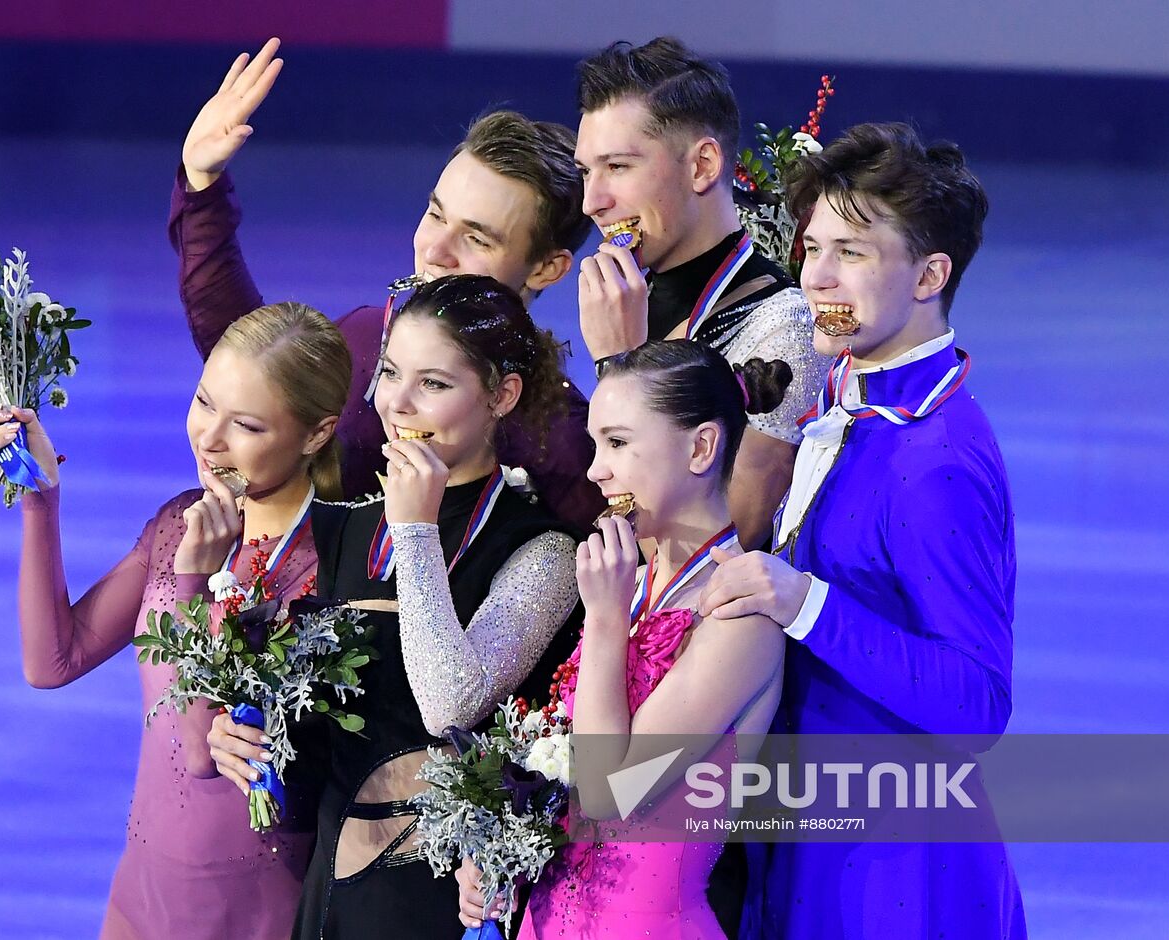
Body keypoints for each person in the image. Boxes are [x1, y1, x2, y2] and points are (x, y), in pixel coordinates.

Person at [695, 122, 1026, 938]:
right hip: (811, 840)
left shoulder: (934, 460)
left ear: (929, 275)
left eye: (851, 253)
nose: (816, 276)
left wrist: (804, 603)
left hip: (894, 879)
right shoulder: (844, 396)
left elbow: (977, 705)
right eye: (812, 248)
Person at [207, 275, 583, 939]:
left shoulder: (544, 551)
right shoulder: (346, 526)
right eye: (388, 373)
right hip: (333, 898)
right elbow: (324, 747)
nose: (397, 403)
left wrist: (415, 530)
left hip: (449, 906)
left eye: (432, 383)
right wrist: (244, 735)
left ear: (502, 395)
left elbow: (450, 706)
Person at [0, 304, 353, 938]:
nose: (210, 439)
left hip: (254, 913)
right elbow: (52, 661)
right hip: (139, 896)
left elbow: (203, 752)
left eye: (247, 425)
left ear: (316, 434)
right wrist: (40, 496)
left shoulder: (333, 567)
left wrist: (193, 581)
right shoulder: (179, 520)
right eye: (204, 402)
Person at [170, 38, 603, 528]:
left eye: (477, 239)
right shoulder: (363, 336)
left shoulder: (558, 439)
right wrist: (203, 184)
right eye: (436, 215)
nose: (436, 250)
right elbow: (249, 363)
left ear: (547, 268)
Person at [453, 340, 790, 937]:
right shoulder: (628, 587)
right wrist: (498, 848)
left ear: (701, 447)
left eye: (617, 442)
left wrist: (605, 621)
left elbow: (612, 792)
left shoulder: (741, 618)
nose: (595, 470)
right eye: (595, 444)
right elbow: (560, 771)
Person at [571, 37, 831, 549]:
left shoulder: (786, 328)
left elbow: (714, 549)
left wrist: (620, 364)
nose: (591, 202)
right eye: (586, 172)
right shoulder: (631, 299)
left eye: (617, 167)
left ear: (703, 165)